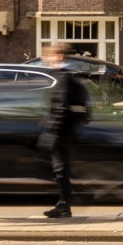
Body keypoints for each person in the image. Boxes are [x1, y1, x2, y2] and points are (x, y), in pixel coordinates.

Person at [38, 42, 89, 219]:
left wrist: (52, 130)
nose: (45, 59)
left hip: (61, 132)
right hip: (68, 131)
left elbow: (60, 106)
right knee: (61, 169)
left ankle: (65, 205)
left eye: (48, 55)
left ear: (58, 56)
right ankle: (64, 203)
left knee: (60, 170)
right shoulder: (65, 76)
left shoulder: (62, 78)